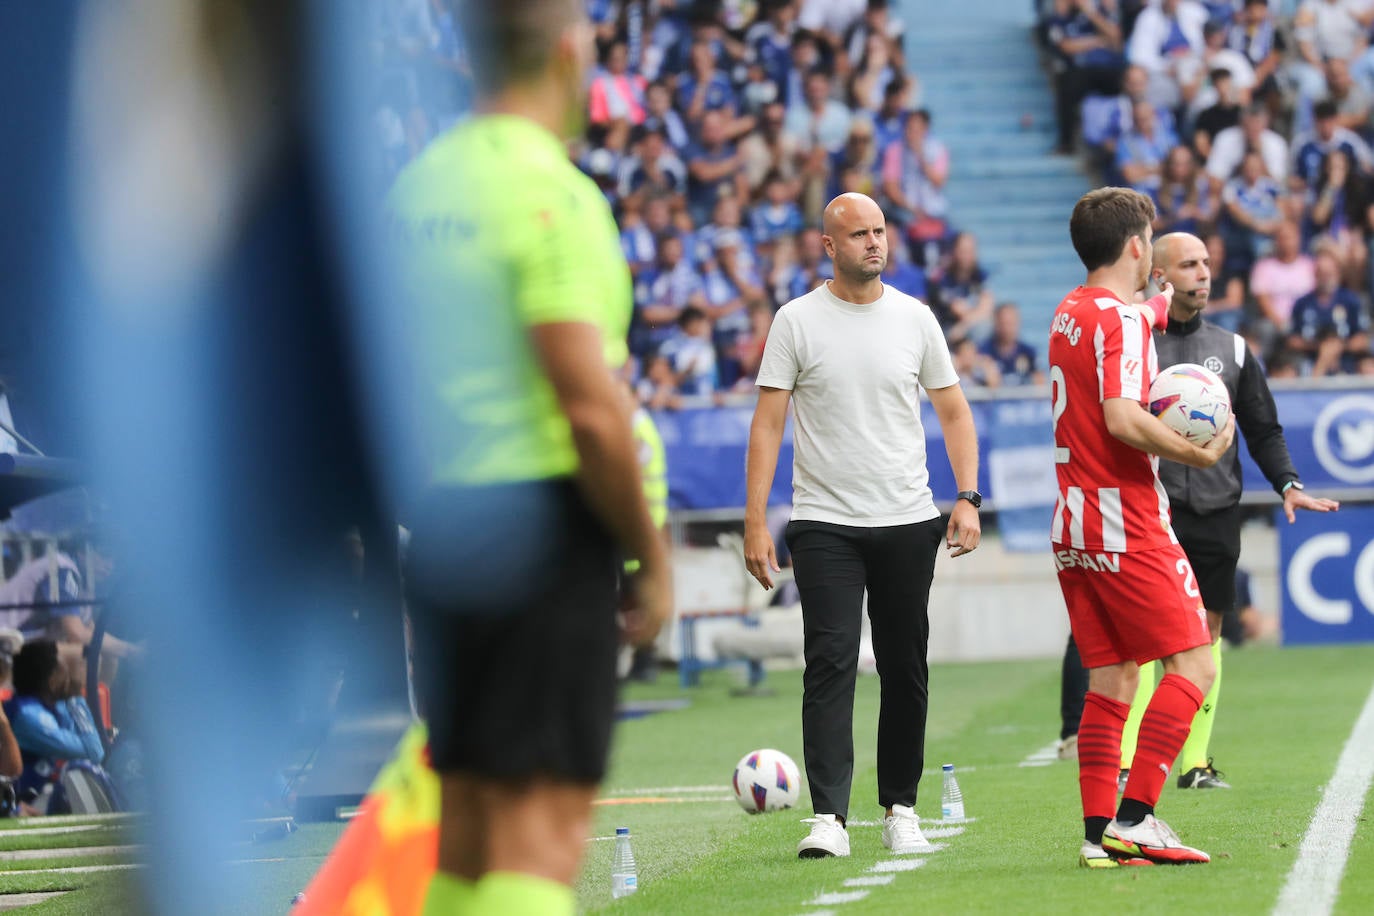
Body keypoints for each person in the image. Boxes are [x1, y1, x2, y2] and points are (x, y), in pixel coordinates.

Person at [386, 3, 672, 913]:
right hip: (542, 531)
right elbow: (590, 409)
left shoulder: (414, 193)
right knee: (540, 835)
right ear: (565, 51)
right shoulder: (554, 197)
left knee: (467, 835)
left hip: (440, 527)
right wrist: (648, 555)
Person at [742, 192, 981, 859]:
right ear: (829, 245)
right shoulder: (795, 321)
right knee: (831, 662)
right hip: (823, 523)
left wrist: (967, 496)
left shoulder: (915, 318)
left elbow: (955, 412)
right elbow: (767, 423)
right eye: (858, 234)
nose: (874, 243)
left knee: (905, 666)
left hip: (908, 519)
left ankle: (900, 808)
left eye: (879, 232)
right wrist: (755, 519)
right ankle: (829, 819)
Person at [1060, 231, 1341, 792]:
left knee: (1206, 633)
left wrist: (1287, 482)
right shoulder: (1135, 334)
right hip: (1150, 509)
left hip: (1215, 509)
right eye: (1189, 265)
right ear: (1158, 274)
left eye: (1208, 264)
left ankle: (1194, 762)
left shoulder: (1233, 348)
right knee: (1146, 641)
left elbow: (1262, 427)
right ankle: (1125, 760)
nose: (1203, 274)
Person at [1049, 187, 1235, 868]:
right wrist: (1199, 451)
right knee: (1196, 661)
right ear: (1137, 247)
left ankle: (1099, 832)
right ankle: (1140, 816)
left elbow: (1125, 321)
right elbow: (1124, 417)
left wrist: (1163, 304)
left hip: (1073, 525)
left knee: (1113, 679)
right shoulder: (1122, 323)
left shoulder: (1071, 311)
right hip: (1125, 520)